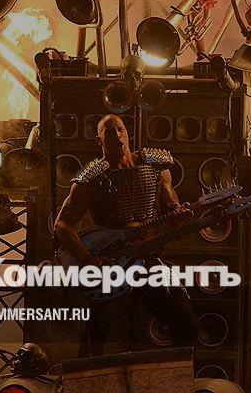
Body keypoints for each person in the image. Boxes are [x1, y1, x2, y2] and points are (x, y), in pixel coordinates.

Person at [53, 114, 199, 357]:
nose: (117, 136)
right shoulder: (91, 178)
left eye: (120, 130)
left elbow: (170, 204)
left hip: (147, 260)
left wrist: (178, 211)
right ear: (99, 140)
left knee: (186, 325)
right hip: (112, 264)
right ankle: (87, 378)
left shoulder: (156, 166)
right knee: (96, 336)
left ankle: (171, 377)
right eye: (110, 132)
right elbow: (62, 225)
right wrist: (88, 259)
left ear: (127, 133)